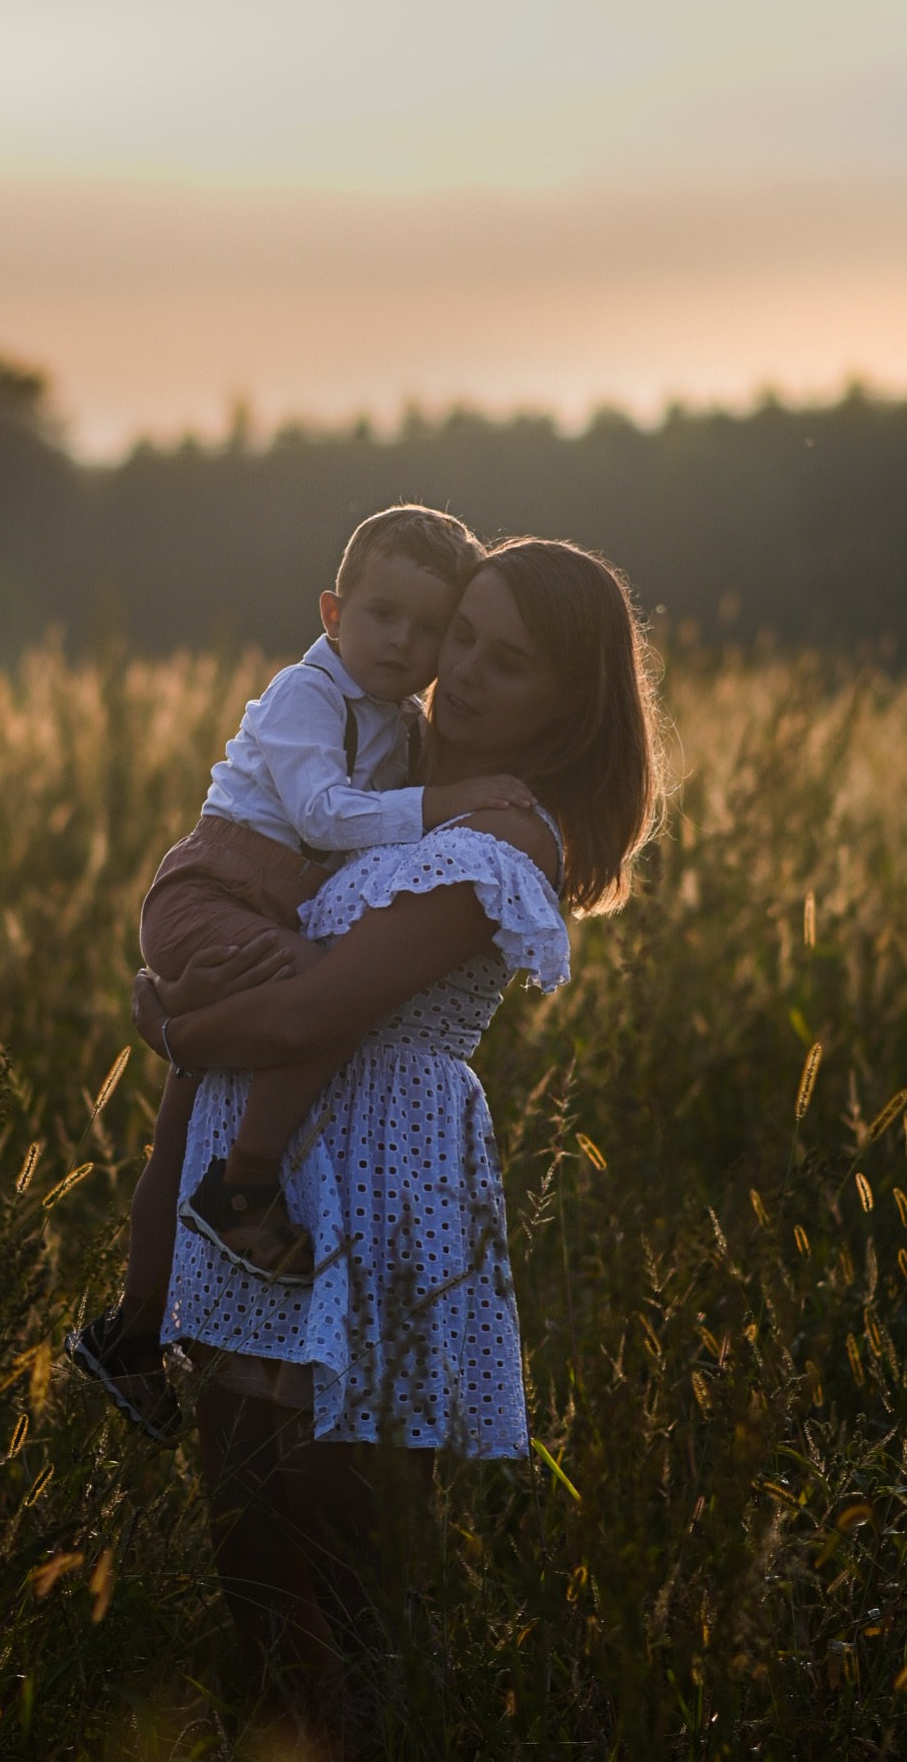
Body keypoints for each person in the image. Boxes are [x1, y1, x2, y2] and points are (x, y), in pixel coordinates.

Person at [131, 538, 666, 1747]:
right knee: (255, 1573)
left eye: (506, 658)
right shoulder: (378, 763)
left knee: (346, 1565)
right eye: (457, 635)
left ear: (568, 700)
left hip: (372, 1196)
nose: (459, 671)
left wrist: (170, 1019)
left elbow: (315, 1012)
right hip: (255, 1194)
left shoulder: (503, 837)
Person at [67, 505, 536, 1440]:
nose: (405, 642)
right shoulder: (307, 695)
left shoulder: (400, 718)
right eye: (380, 617)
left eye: (429, 627)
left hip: (275, 897)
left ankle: (133, 1329)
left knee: (183, 1113)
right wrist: (446, 805)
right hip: (219, 887)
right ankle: (242, 1186)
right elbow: (322, 816)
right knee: (319, 993)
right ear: (332, 614)